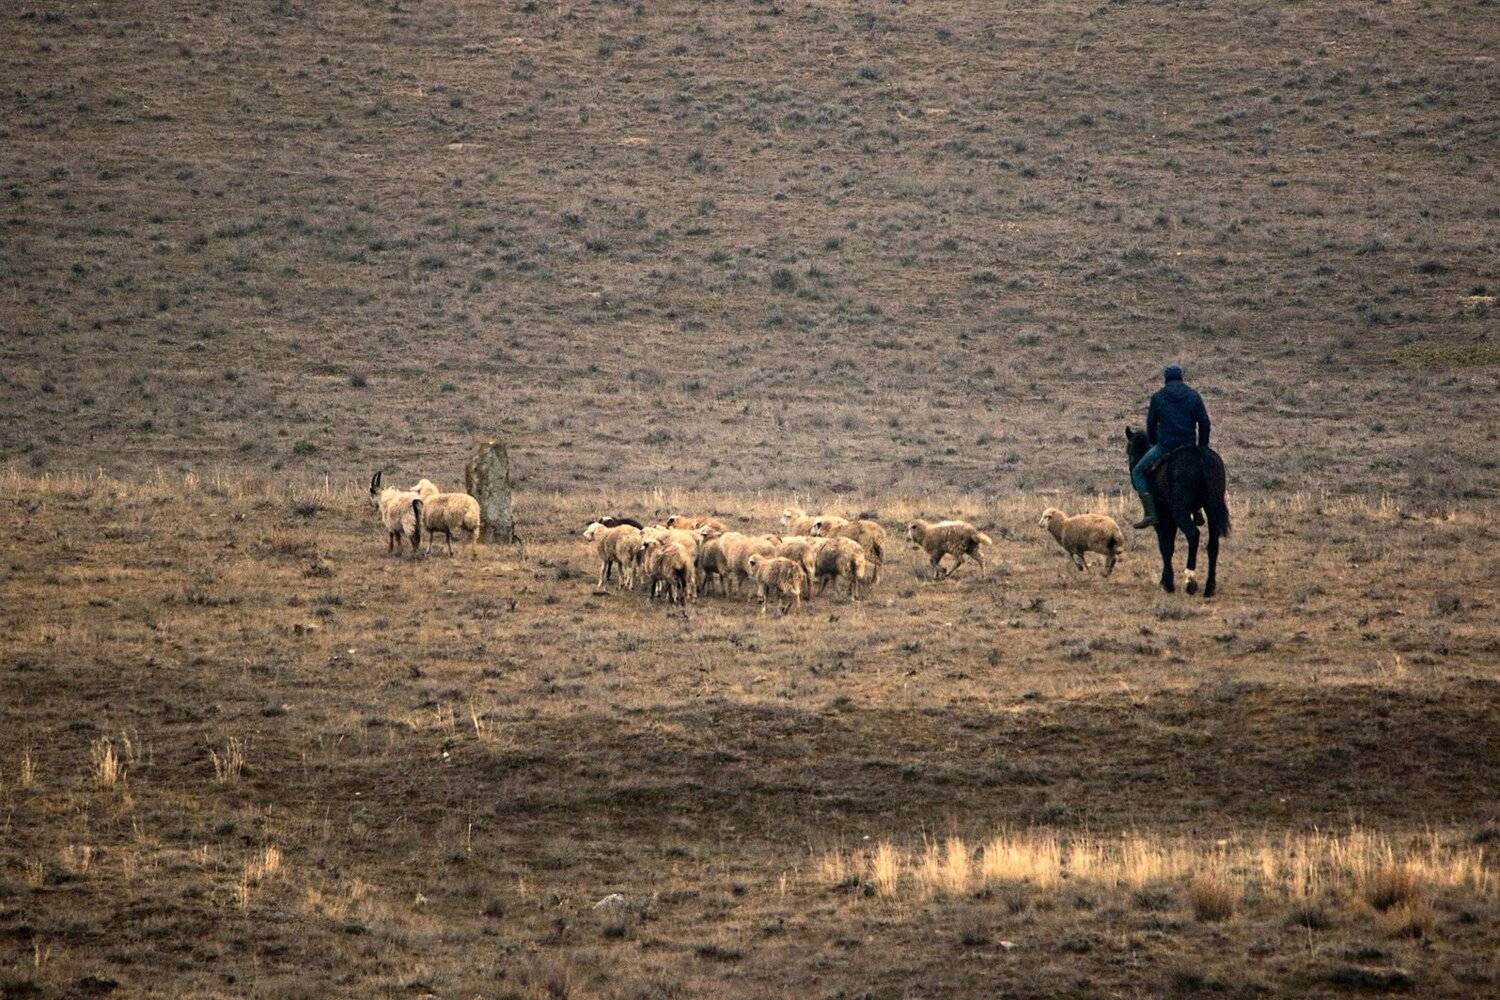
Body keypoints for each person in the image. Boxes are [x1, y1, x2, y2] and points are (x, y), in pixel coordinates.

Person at [1131, 363, 1210, 529]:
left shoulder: (1158, 397)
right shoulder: (1193, 395)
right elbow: (1204, 423)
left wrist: (1153, 442)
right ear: (1181, 377)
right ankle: (1197, 510)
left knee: (1138, 471)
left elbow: (1151, 424)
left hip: (1165, 446)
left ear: (1166, 378)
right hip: (1189, 446)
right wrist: (1201, 447)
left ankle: (1150, 513)